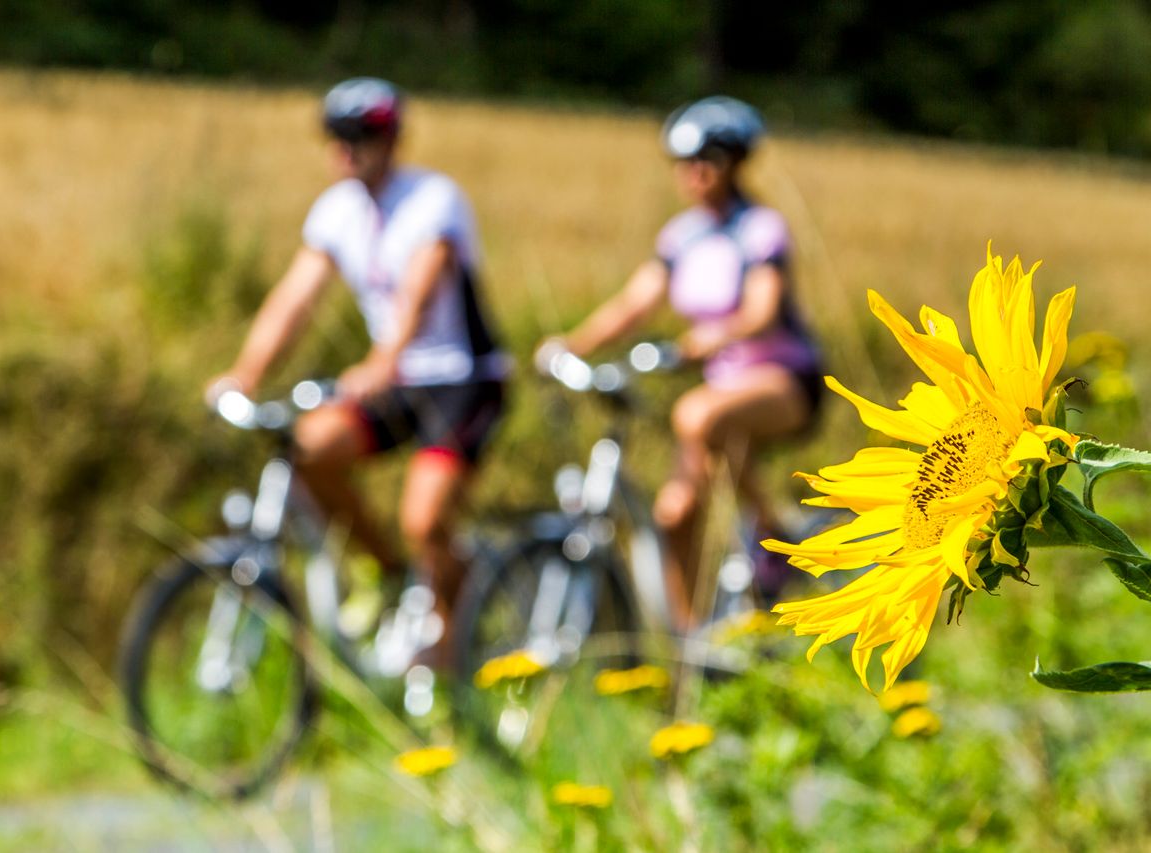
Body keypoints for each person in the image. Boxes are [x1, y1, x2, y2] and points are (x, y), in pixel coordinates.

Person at [207, 77, 507, 664]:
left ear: (392, 140)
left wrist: (384, 360)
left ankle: (452, 661)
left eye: (360, 137)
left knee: (424, 518)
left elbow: (422, 286)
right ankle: (390, 574)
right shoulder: (337, 210)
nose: (345, 150)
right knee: (310, 448)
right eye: (336, 137)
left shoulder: (433, 199)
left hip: (462, 380)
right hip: (394, 381)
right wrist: (243, 375)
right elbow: (295, 298)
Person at [538, 96, 821, 630]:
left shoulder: (760, 229)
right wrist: (571, 344)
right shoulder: (682, 236)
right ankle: (690, 640)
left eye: (707, 160)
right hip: (720, 389)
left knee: (696, 415)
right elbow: (633, 305)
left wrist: (714, 336)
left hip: (782, 379)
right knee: (674, 515)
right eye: (683, 162)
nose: (694, 173)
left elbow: (763, 310)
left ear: (734, 164)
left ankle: (774, 532)